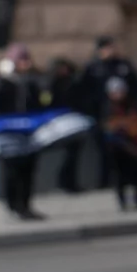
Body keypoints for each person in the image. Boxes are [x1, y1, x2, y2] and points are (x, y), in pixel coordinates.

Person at [0, 44, 48, 221]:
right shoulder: (3, 82)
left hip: (28, 133)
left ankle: (25, 206)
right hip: (8, 134)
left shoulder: (31, 81)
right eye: (22, 60)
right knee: (11, 172)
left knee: (28, 171)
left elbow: (43, 101)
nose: (25, 64)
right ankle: (13, 206)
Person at [80, 35, 137, 188]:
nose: (109, 51)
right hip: (102, 116)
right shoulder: (93, 68)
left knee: (126, 148)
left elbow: (135, 86)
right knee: (106, 150)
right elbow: (84, 91)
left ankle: (126, 179)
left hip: (124, 115)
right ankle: (105, 181)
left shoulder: (123, 65)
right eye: (105, 48)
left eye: (111, 47)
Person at [46, 56, 92, 193]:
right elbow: (47, 101)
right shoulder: (53, 84)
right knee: (68, 155)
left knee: (73, 154)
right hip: (59, 121)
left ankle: (70, 182)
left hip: (74, 120)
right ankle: (64, 181)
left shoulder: (74, 82)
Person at [101, 76, 137, 211]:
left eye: (120, 91)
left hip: (133, 143)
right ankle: (122, 202)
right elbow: (108, 129)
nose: (118, 94)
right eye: (115, 92)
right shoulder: (108, 108)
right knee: (119, 176)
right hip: (117, 147)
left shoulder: (133, 105)